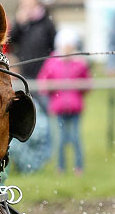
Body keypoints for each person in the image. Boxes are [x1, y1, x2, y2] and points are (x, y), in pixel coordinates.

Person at [37, 27, 91, 174]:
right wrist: (50, 88)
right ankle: (60, 167)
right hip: (59, 107)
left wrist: (80, 86)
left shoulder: (80, 64)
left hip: (75, 107)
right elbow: (43, 81)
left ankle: (79, 167)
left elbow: (87, 83)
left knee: (75, 138)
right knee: (60, 139)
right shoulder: (52, 62)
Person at [8, 0, 56, 79]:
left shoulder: (46, 22)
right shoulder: (21, 23)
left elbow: (53, 45)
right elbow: (10, 41)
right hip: (23, 69)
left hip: (42, 69)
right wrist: (18, 24)